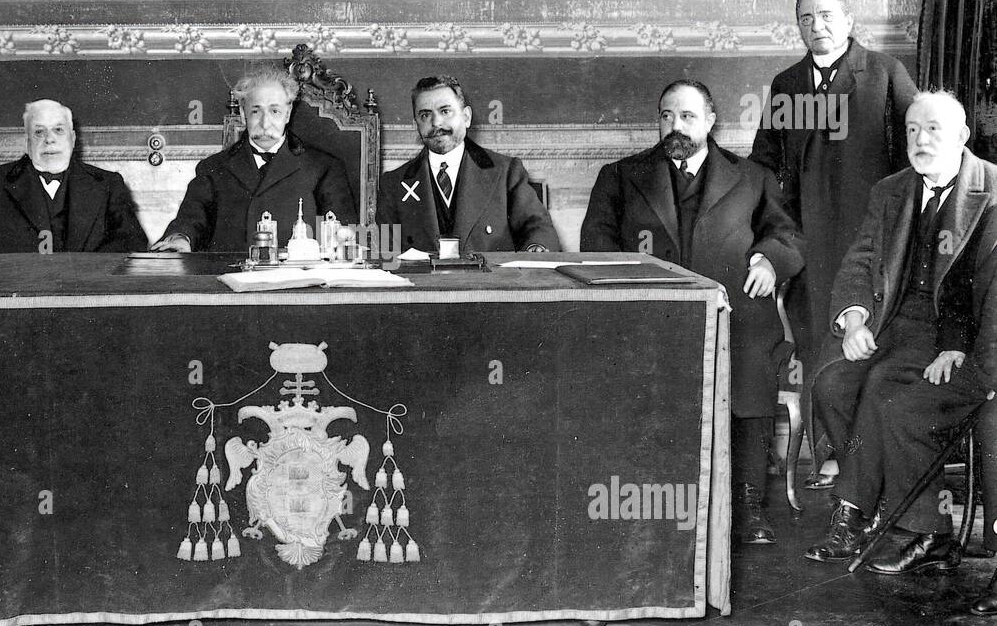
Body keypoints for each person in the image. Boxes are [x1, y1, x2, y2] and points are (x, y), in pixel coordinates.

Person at [582, 80, 805, 544]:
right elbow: (596, 247)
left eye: (686, 116)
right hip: (650, 315)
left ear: (710, 120)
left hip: (735, 315)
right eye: (666, 116)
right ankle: (652, 502)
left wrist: (768, 260)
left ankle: (746, 502)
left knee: (749, 365)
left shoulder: (752, 177)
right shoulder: (621, 176)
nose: (675, 126)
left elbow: (788, 237)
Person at [803, 92, 997, 576]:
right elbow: (861, 260)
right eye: (912, 130)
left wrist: (958, 346)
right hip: (894, 326)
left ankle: (877, 518)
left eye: (933, 129)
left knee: (886, 399)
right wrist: (853, 318)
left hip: (963, 337)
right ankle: (876, 506)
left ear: (962, 135)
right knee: (832, 385)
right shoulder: (892, 190)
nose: (920, 139)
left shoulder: (993, 190)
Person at [750, 0, 918, 490]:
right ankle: (835, 454)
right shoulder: (788, 84)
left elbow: (917, 150)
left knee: (869, 344)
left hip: (876, 238)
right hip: (808, 239)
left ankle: (871, 460)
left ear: (848, 20)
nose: (816, 25)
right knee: (815, 340)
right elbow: (766, 161)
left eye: (826, 15)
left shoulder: (885, 73)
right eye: (805, 19)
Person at [152, 65, 355, 252]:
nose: (265, 123)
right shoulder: (213, 168)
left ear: (288, 114)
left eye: (275, 111)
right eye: (256, 111)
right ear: (242, 113)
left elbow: (342, 230)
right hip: (229, 282)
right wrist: (181, 239)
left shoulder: (325, 167)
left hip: (296, 284)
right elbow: (189, 221)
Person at [376, 75, 559, 253]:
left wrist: (537, 248)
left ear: (466, 117)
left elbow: (537, 227)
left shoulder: (506, 172)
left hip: (491, 282)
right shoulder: (393, 183)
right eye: (425, 115)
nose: (436, 122)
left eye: (445, 111)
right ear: (416, 124)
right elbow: (385, 253)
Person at [0, 99, 147, 256]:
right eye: (39, 132)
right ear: (27, 143)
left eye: (58, 130)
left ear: (73, 139)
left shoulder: (108, 184)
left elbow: (130, 240)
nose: (49, 139)